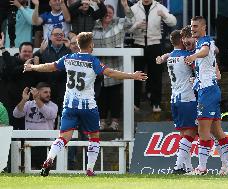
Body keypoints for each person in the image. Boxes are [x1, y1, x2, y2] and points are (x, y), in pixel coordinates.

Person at [23, 32, 147, 176]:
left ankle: (49, 158)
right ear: (91, 45)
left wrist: (33, 68)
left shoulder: (68, 58)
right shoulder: (93, 61)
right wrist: (132, 76)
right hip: (88, 106)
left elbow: (50, 67)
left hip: (69, 105)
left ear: (78, 45)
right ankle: (89, 169)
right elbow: (111, 73)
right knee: (94, 136)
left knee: (64, 136)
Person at [185, 16, 228, 175]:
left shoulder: (203, 42)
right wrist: (198, 79)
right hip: (211, 89)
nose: (192, 29)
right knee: (216, 130)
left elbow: (205, 51)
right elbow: (217, 72)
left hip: (207, 92)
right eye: (191, 26)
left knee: (203, 130)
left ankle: (201, 167)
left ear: (203, 27)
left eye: (195, 26)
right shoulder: (205, 44)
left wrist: (194, 57)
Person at [157, 30, 197, 174]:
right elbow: (198, 68)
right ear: (181, 40)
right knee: (192, 132)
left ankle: (188, 168)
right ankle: (178, 166)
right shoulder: (187, 57)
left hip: (175, 99)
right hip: (187, 98)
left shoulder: (170, 57)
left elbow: (167, 55)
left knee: (183, 134)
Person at [93, 0, 134, 130]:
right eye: (106, 12)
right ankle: (102, 121)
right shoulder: (94, 25)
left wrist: (126, 6)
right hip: (99, 70)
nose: (108, 14)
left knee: (115, 98)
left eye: (111, 12)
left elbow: (131, 20)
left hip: (115, 67)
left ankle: (115, 122)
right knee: (101, 97)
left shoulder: (119, 23)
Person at [130, 0, 176, 112]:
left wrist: (164, 15)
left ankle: (156, 103)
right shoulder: (134, 8)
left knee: (156, 74)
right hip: (138, 44)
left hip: (155, 45)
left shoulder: (159, 7)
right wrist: (136, 25)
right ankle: (135, 103)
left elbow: (173, 22)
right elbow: (127, 28)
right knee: (136, 75)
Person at [13, 82, 58, 169]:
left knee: (45, 170)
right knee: (30, 169)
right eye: (45, 92)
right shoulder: (28, 104)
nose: (48, 94)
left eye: (49, 92)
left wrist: (37, 100)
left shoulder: (53, 106)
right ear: (37, 92)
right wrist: (24, 100)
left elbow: (49, 115)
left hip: (46, 142)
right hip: (29, 141)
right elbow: (16, 114)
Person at [0, 33, 37, 130]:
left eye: (29, 52)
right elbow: (10, 72)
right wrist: (24, 67)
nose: (27, 53)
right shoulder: (12, 61)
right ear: (19, 52)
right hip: (11, 104)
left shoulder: (34, 65)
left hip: (28, 106)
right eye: (25, 51)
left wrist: (36, 66)